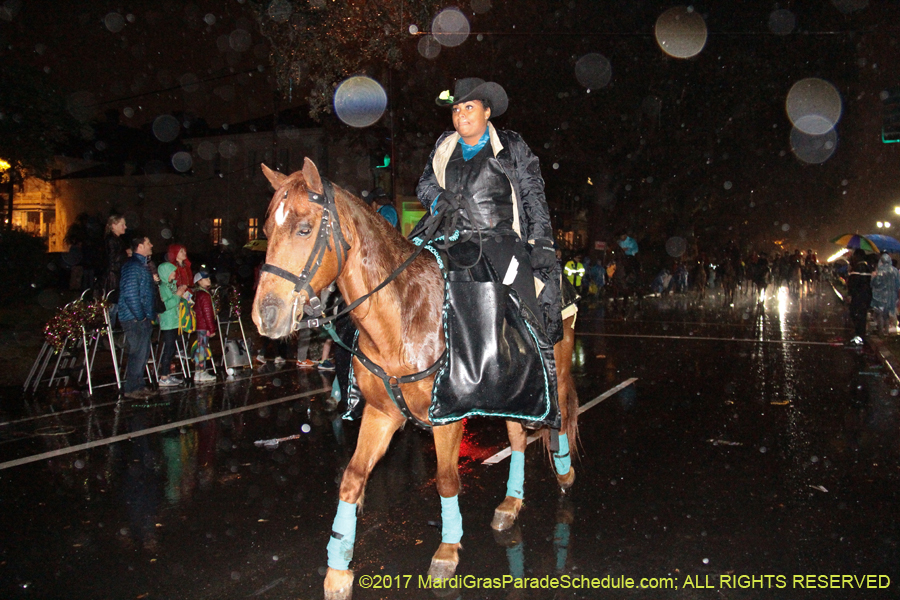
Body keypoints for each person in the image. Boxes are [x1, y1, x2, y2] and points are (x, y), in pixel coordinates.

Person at [416, 77, 562, 342]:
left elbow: (532, 193)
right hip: (449, 239)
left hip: (498, 239)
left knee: (526, 310)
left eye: (468, 107)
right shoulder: (444, 146)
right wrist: (438, 197)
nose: (460, 115)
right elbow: (425, 183)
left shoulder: (512, 144)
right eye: (456, 110)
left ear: (486, 111)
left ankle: (541, 365)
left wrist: (541, 241)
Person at [118, 233, 156, 399]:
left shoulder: (141, 266)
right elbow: (131, 294)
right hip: (134, 318)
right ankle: (132, 388)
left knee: (142, 353)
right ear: (140, 246)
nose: (151, 245)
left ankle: (138, 385)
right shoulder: (134, 266)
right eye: (148, 241)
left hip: (141, 317)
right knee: (137, 353)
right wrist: (141, 316)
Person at [156, 261, 189, 386]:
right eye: (172, 271)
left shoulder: (172, 285)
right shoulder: (163, 288)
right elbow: (166, 305)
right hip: (168, 322)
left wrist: (182, 295)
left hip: (175, 321)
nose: (174, 273)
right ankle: (163, 376)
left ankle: (167, 374)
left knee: (172, 349)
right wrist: (177, 295)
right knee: (168, 349)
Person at [99, 214, 129, 326]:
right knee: (111, 309)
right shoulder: (111, 240)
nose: (125, 227)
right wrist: (125, 254)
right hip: (112, 280)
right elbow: (112, 260)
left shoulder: (116, 240)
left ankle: (109, 335)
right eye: (122, 224)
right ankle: (107, 335)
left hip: (116, 278)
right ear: (114, 225)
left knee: (114, 309)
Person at [192, 270, 217, 383]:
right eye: (206, 279)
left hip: (200, 325)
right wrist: (211, 328)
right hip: (204, 326)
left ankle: (199, 372)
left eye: (209, 278)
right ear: (199, 281)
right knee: (202, 349)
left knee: (200, 348)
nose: (209, 280)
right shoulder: (204, 295)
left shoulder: (198, 294)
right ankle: (201, 372)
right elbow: (207, 313)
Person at [846, 249, 873, 346]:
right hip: (866, 296)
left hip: (858, 296)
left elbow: (853, 283)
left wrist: (850, 294)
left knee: (855, 314)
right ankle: (861, 334)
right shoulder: (867, 268)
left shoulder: (857, 268)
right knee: (862, 315)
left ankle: (859, 335)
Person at [870, 252, 900, 337]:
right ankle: (886, 331)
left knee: (880, 314)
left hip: (880, 296)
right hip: (891, 296)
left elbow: (874, 284)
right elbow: (898, 284)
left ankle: (881, 331)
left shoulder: (879, 271)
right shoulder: (894, 271)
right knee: (886, 314)